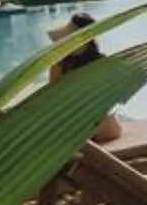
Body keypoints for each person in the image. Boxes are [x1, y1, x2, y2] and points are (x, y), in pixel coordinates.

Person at [49, 10, 125, 143]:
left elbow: (51, 97)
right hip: (110, 128)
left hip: (78, 130)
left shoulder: (61, 64)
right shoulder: (102, 62)